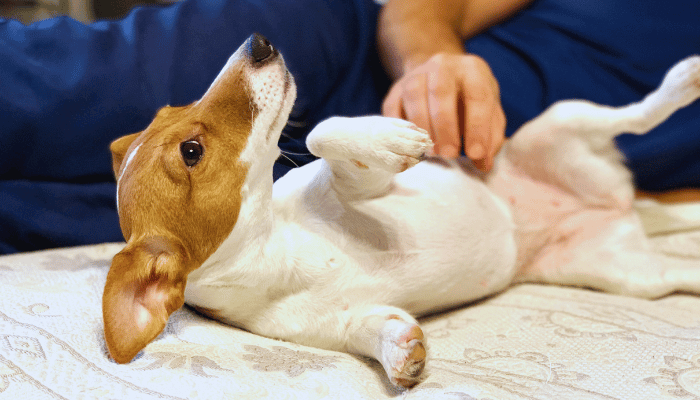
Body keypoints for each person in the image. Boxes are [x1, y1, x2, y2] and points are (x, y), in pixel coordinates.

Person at [0, 0, 697, 254]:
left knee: (99, 225)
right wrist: (433, 59)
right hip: (341, 52)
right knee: (58, 89)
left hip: (405, 186)